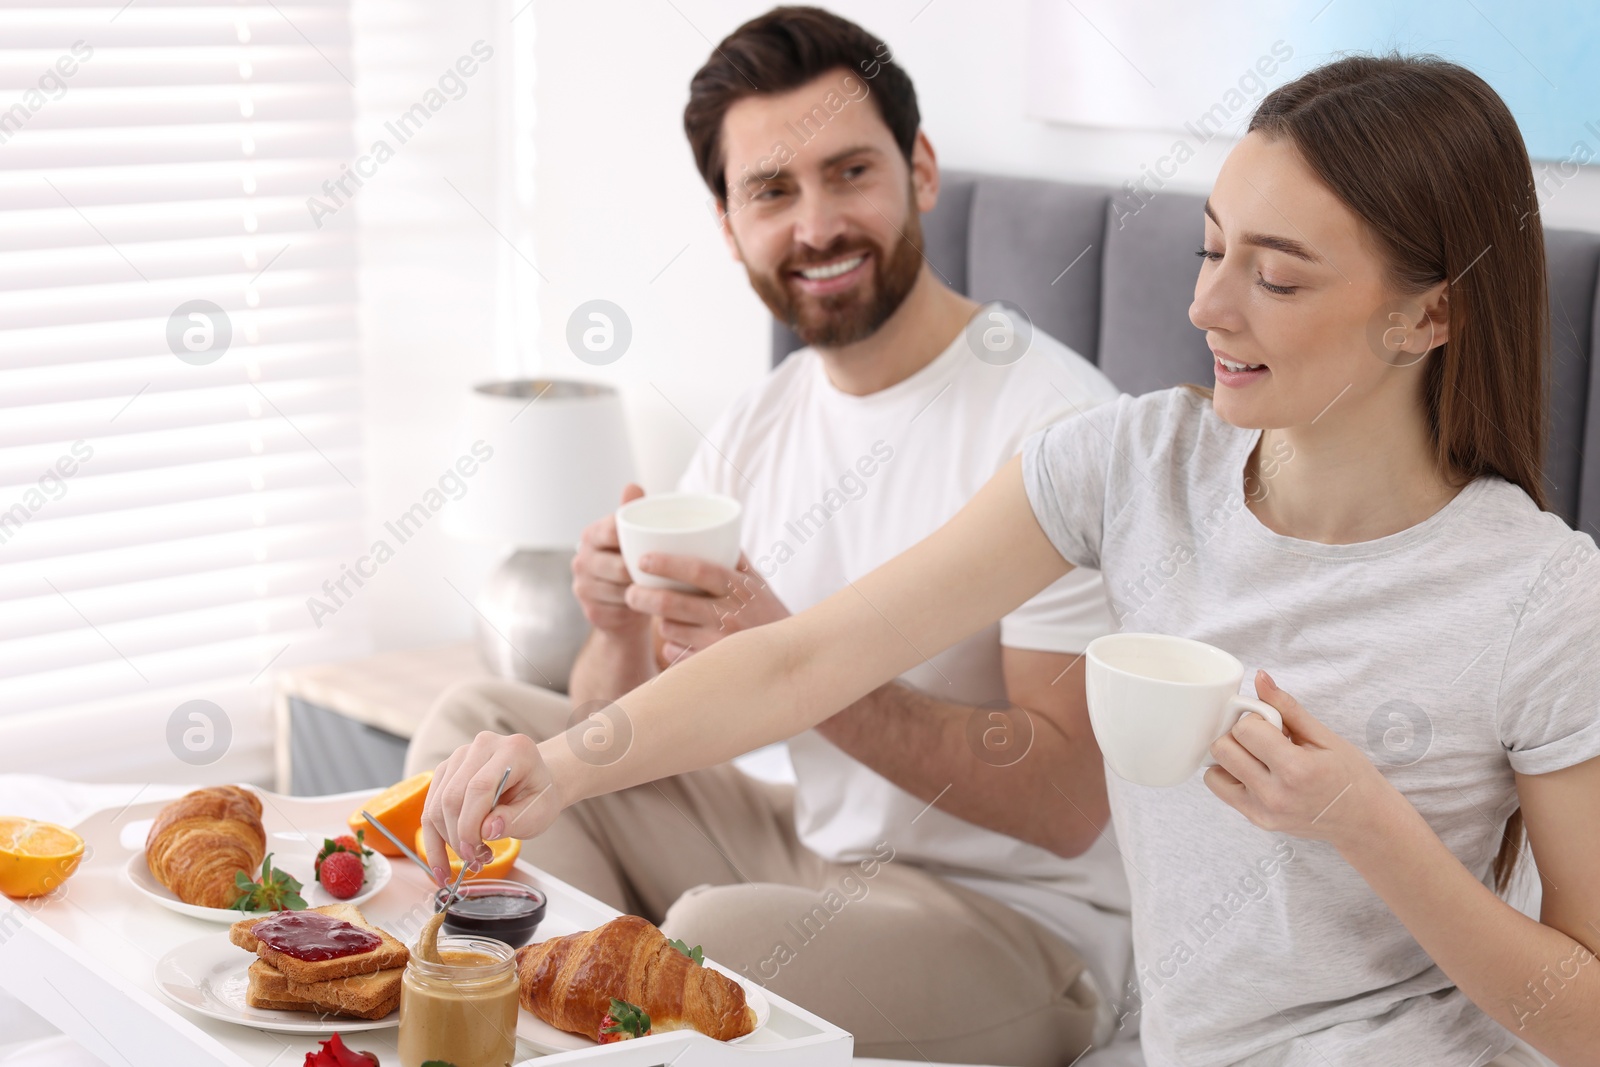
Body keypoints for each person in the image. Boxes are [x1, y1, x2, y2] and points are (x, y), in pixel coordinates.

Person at [426, 51, 1600, 1066]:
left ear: (1427, 317)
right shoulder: (1129, 465)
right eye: (1208, 250)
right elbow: (806, 659)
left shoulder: (1539, 595)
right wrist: (566, 765)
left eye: (1275, 275)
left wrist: (1362, 822)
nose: (1206, 306)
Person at [405, 7, 1134, 1063]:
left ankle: (590, 1005)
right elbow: (622, 731)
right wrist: (612, 625)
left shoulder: (1054, 426)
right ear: (728, 222)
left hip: (1011, 922)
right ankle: (573, 1010)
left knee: (712, 935)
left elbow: (1069, 803)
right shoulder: (764, 420)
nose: (817, 226)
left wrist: (798, 657)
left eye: (850, 173)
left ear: (919, 169)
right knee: (476, 724)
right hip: (807, 849)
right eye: (773, 191)